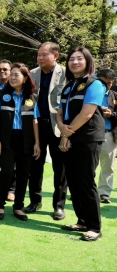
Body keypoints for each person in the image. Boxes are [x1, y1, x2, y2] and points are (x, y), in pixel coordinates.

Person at [58, 46, 106, 242]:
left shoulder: (95, 83)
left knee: (85, 181)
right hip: (70, 136)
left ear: (87, 61)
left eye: (79, 58)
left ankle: (94, 227)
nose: (75, 62)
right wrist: (61, 127)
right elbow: (60, 111)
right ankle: (82, 221)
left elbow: (87, 113)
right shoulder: (69, 85)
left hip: (88, 137)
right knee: (74, 180)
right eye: (71, 59)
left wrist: (65, 134)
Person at [0, 63, 40, 221]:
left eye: (16, 75)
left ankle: (18, 207)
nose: (12, 77)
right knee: (6, 172)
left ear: (25, 78)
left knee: (23, 174)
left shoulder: (32, 97)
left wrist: (37, 143)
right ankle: (0, 205)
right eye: (11, 74)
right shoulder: (2, 94)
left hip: (26, 140)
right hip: (6, 139)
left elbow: (35, 121)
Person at [26, 42, 67, 221]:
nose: (40, 58)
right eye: (38, 55)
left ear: (55, 56)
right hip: (37, 126)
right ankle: (35, 201)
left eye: (44, 55)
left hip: (58, 126)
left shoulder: (66, 73)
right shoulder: (32, 74)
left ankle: (59, 206)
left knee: (60, 168)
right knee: (35, 165)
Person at [0, 59, 15, 201]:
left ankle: (12, 189)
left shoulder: (17, 87)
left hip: (13, 130)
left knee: (12, 164)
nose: (2, 72)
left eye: (5, 69)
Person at [95, 69, 117, 203]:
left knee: (108, 166)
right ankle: (85, 191)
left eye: (109, 83)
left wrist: (111, 115)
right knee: (89, 165)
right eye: (103, 82)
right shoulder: (91, 92)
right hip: (91, 135)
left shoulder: (115, 96)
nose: (106, 85)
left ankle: (104, 193)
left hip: (109, 135)